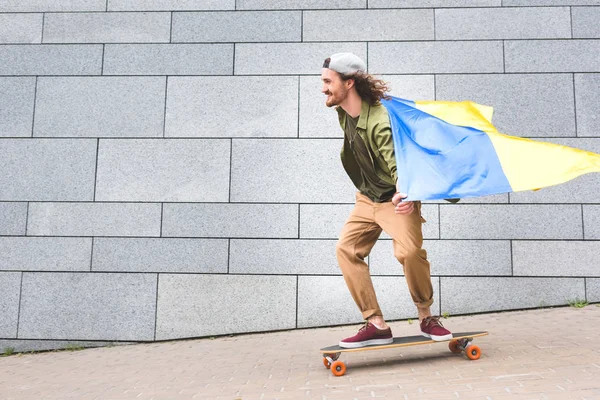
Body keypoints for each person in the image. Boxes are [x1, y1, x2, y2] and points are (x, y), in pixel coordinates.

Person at [321, 53, 453, 348]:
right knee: (346, 249)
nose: (324, 88)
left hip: (395, 200)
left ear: (349, 83)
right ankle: (376, 324)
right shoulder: (344, 111)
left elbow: (397, 161)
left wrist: (406, 192)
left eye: (328, 82)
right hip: (367, 199)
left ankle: (427, 316)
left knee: (409, 253)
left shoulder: (380, 121)